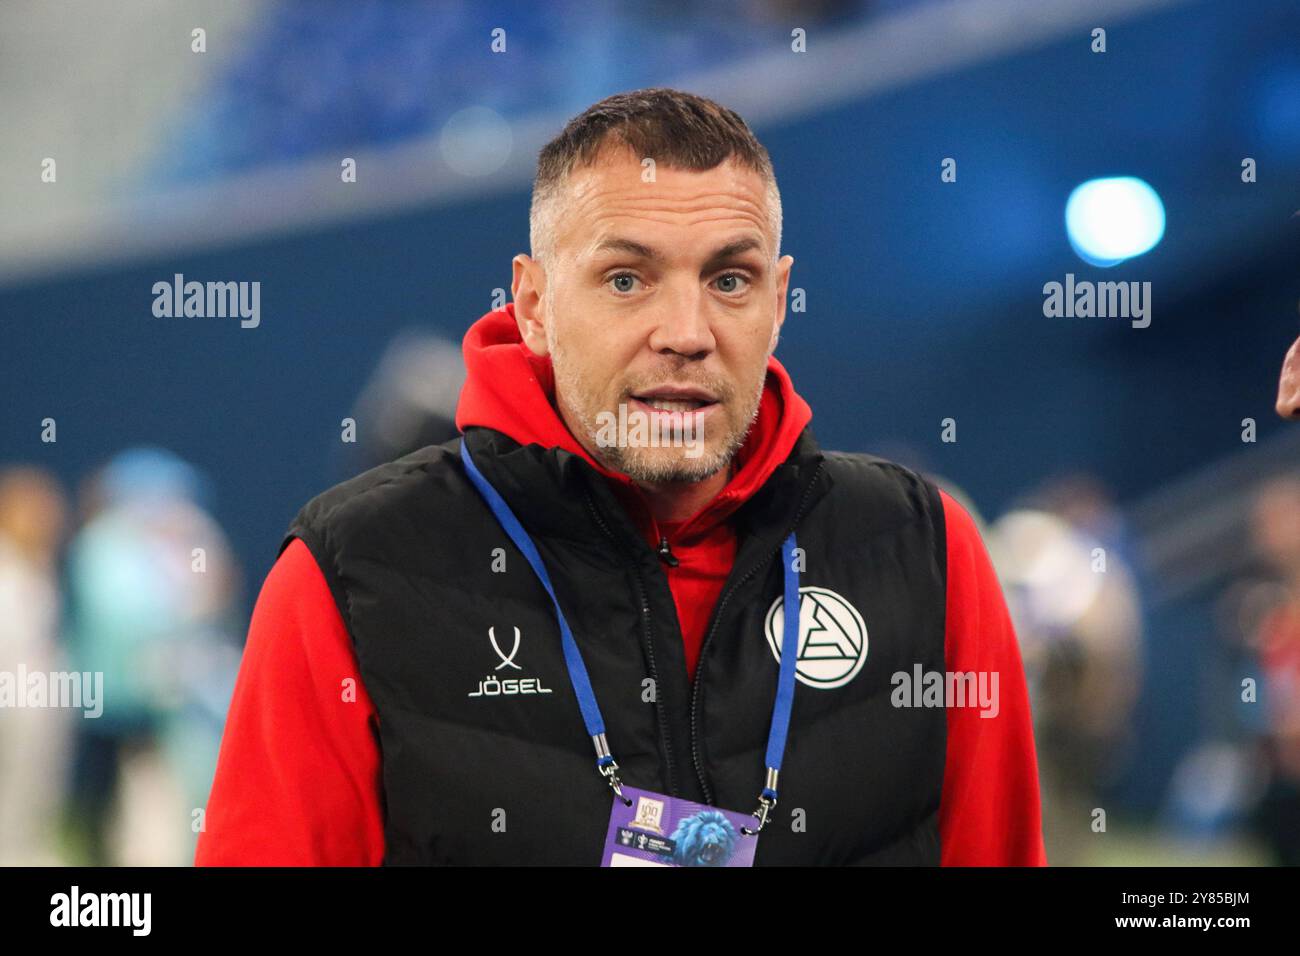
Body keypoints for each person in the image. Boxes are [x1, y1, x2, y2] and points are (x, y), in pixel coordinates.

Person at [196, 88, 1046, 866]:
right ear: (533, 305)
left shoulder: (922, 553)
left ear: (780, 302)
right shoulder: (351, 574)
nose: (686, 330)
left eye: (730, 280)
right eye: (627, 278)